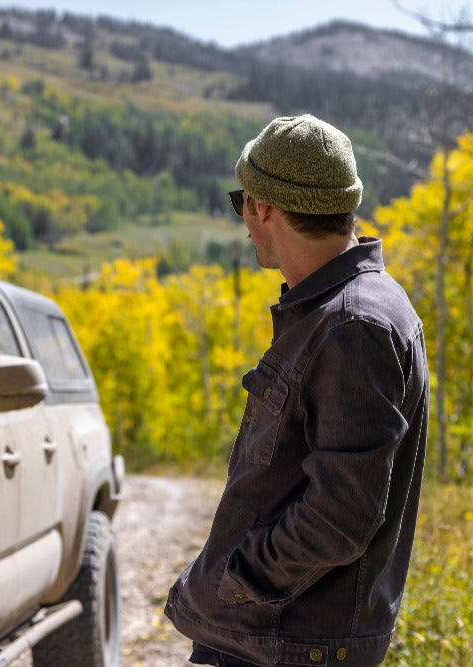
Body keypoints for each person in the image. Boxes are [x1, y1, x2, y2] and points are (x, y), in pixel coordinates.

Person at [165, 114, 429, 667]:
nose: (244, 219)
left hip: (283, 646)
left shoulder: (353, 324)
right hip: (278, 638)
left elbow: (340, 515)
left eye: (243, 203)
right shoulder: (338, 311)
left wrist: (236, 579)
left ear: (265, 206)